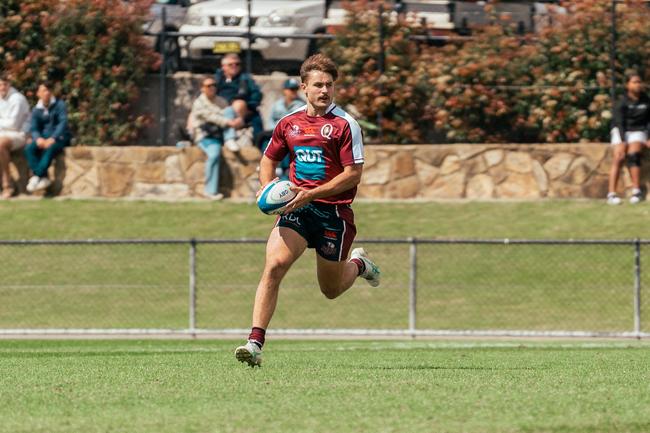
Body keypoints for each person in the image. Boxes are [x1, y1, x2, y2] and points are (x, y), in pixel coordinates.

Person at [234, 54, 381, 367]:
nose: (324, 90)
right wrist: (266, 186)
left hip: (334, 214)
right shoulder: (289, 124)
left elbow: (352, 175)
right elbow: (268, 159)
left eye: (329, 84)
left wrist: (311, 194)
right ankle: (255, 343)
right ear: (304, 88)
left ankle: (358, 263)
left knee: (331, 290)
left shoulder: (345, 125)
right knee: (274, 265)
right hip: (297, 211)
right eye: (318, 85)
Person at [188, 76, 245, 199]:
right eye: (208, 86)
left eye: (214, 85)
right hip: (206, 136)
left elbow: (228, 114)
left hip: (221, 134)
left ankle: (230, 139)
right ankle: (210, 191)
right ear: (202, 88)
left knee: (230, 109)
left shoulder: (221, 101)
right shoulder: (199, 103)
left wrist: (238, 120)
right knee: (214, 155)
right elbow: (210, 117)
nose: (212, 88)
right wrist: (229, 122)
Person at [607, 72, 650, 205]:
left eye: (639, 82)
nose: (638, 85)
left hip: (638, 131)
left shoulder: (646, 100)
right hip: (621, 130)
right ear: (627, 85)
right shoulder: (621, 102)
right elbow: (619, 123)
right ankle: (612, 194)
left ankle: (636, 191)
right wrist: (621, 142)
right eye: (634, 82)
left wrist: (648, 138)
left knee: (633, 153)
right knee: (619, 156)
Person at [24, 81, 72, 193]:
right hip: (43, 138)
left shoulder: (60, 105)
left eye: (48, 90)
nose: (47, 93)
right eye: (44, 90)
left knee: (49, 149)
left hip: (60, 137)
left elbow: (62, 123)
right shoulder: (36, 109)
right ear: (38, 93)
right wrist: (38, 138)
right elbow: (34, 127)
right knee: (29, 149)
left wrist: (53, 138)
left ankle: (37, 175)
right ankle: (43, 177)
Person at [254, 77, 307, 178]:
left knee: (287, 145)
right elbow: (270, 120)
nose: (293, 92)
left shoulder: (302, 105)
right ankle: (268, 166)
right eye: (291, 89)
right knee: (266, 141)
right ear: (284, 90)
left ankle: (285, 171)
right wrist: (276, 132)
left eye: (295, 89)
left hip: (294, 135)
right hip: (276, 133)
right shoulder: (277, 104)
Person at [214, 53, 262, 151]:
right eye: (231, 64)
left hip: (241, 112)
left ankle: (230, 138)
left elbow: (256, 95)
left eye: (237, 64)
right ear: (223, 67)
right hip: (220, 110)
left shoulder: (245, 79)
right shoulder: (217, 80)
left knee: (239, 104)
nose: (234, 66)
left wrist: (248, 106)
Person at [0, 75, 30, 199]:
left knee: (1, 144)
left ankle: (8, 186)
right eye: (0, 85)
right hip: (3, 133)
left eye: (4, 84)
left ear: (9, 84)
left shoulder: (17, 99)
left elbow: (13, 124)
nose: (1, 87)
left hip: (19, 135)